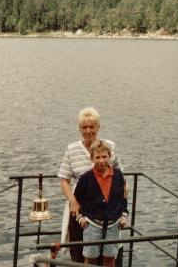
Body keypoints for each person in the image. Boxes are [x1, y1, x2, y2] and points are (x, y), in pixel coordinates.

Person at [58, 107, 123, 262]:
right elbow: (64, 180)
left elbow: (120, 174)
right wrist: (73, 202)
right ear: (79, 128)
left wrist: (121, 200)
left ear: (98, 127)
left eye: (91, 127)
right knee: (81, 252)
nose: (88, 131)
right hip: (81, 207)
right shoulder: (72, 149)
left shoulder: (110, 147)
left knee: (108, 252)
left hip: (107, 208)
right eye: (84, 127)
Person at [76, 140, 128, 266]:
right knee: (90, 258)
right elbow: (77, 199)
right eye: (97, 157)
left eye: (104, 156)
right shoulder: (85, 178)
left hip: (113, 224)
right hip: (92, 225)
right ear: (91, 158)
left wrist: (124, 215)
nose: (101, 161)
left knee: (110, 258)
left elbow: (123, 198)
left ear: (110, 156)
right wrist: (80, 217)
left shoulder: (118, 176)